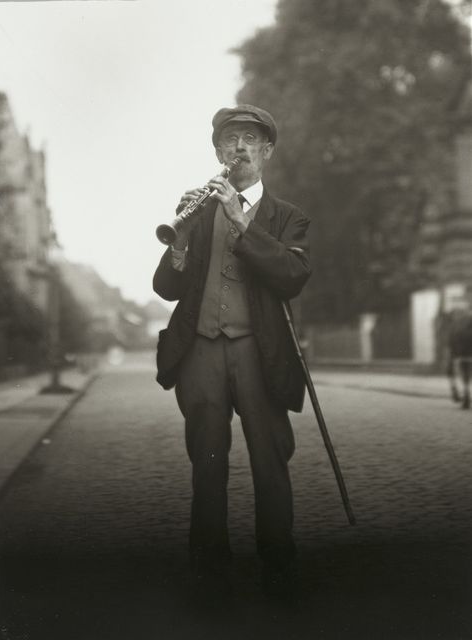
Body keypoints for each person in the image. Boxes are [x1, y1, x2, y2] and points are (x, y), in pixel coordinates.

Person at [152, 104, 311, 598]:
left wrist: (240, 222)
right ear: (217, 151)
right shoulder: (198, 212)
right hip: (201, 349)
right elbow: (166, 288)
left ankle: (278, 560)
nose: (238, 148)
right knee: (207, 458)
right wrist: (178, 247)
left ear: (266, 151)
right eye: (229, 140)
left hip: (259, 351)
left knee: (270, 457)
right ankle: (208, 562)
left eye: (249, 139)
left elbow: (291, 275)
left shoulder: (288, 217)